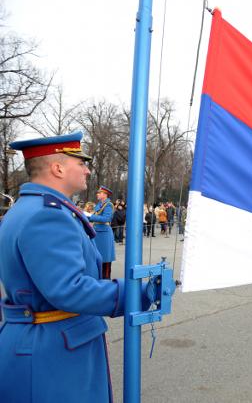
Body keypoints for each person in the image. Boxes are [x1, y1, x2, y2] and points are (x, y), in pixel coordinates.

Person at [0, 131, 151, 402]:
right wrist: (135, 292)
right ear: (57, 168)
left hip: (48, 341)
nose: (87, 169)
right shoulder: (47, 215)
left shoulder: (36, 208)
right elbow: (68, 289)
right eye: (80, 163)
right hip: (53, 350)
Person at [89, 185, 116, 279]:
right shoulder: (99, 205)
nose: (97, 194)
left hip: (104, 234)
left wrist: (90, 216)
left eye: (99, 193)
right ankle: (99, 280)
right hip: (97, 233)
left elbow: (106, 218)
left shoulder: (108, 205)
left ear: (105, 195)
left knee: (105, 260)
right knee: (97, 259)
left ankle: (106, 282)